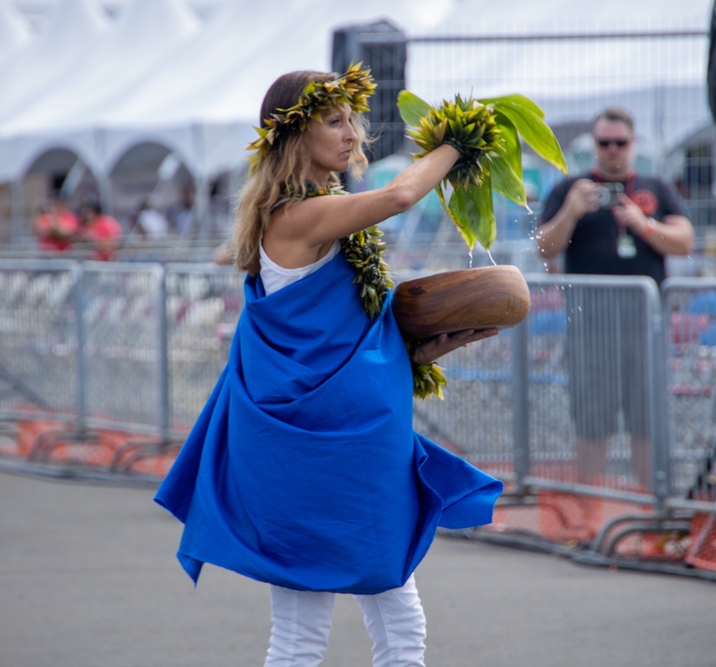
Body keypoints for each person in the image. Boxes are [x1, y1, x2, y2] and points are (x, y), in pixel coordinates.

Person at [154, 65, 504, 667]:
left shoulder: (325, 211)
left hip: (347, 443)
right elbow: (398, 196)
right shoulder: (293, 217)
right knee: (306, 635)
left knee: (392, 623)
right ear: (293, 136)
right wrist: (459, 141)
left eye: (354, 121)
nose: (353, 135)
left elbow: (343, 340)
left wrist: (421, 351)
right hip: (317, 449)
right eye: (334, 121)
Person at [534, 106, 694, 525]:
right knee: (591, 423)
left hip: (644, 329)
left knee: (646, 421)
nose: (611, 151)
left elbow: (684, 241)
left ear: (632, 144)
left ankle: (649, 514)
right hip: (590, 329)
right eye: (603, 143)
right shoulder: (571, 187)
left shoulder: (655, 187)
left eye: (619, 143)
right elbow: (544, 247)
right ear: (594, 146)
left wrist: (643, 225)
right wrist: (571, 209)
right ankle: (590, 515)